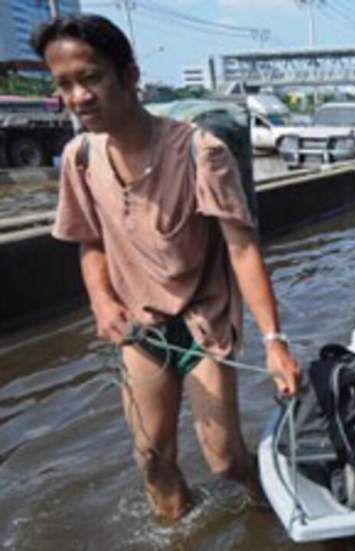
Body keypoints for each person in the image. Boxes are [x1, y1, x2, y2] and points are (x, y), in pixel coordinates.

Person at [33, 14, 300, 521]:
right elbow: (89, 242)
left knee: (223, 460)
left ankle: (269, 508)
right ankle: (179, 532)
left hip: (204, 320)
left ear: (129, 76)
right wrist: (103, 301)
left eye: (91, 78)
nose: (79, 96)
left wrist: (274, 343)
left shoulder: (200, 151)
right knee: (152, 460)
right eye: (64, 84)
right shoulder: (79, 159)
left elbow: (242, 249)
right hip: (141, 327)